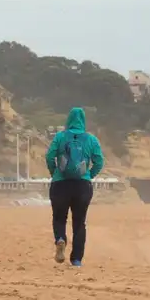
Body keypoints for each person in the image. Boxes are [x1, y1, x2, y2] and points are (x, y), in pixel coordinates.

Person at [45, 107, 105, 267]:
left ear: (68, 120)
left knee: (59, 218)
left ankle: (60, 239)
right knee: (79, 222)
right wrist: (89, 175)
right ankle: (76, 259)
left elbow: (50, 156)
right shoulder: (91, 140)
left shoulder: (60, 137)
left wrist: (54, 173)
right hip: (82, 186)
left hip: (60, 184)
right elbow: (99, 161)